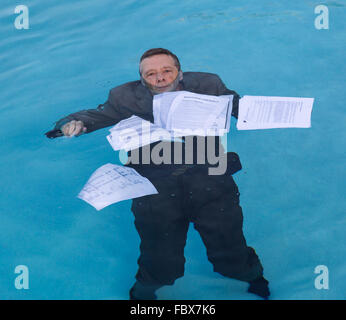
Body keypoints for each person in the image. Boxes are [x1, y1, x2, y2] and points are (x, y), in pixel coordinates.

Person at [45, 48, 270, 300]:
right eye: (151, 74)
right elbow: (94, 116)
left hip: (211, 181)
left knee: (231, 253)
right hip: (153, 187)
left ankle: (253, 278)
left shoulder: (208, 84)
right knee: (160, 261)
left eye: (166, 71)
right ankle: (144, 294)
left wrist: (270, 112)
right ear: (142, 80)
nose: (160, 78)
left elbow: (240, 106)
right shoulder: (124, 98)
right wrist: (69, 124)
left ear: (180, 73)